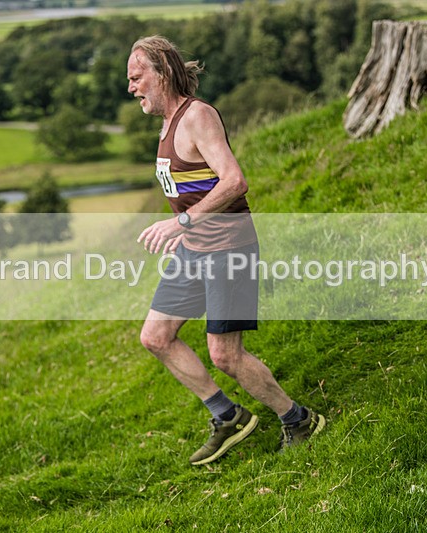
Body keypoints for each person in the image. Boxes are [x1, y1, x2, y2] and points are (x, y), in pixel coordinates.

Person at [128, 35, 325, 465]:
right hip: (194, 248)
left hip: (228, 249)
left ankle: (298, 419)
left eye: (137, 77)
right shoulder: (167, 126)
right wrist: (186, 230)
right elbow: (193, 187)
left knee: (225, 354)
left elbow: (234, 181)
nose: (131, 88)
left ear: (162, 72)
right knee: (156, 337)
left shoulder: (197, 116)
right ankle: (227, 415)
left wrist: (181, 221)